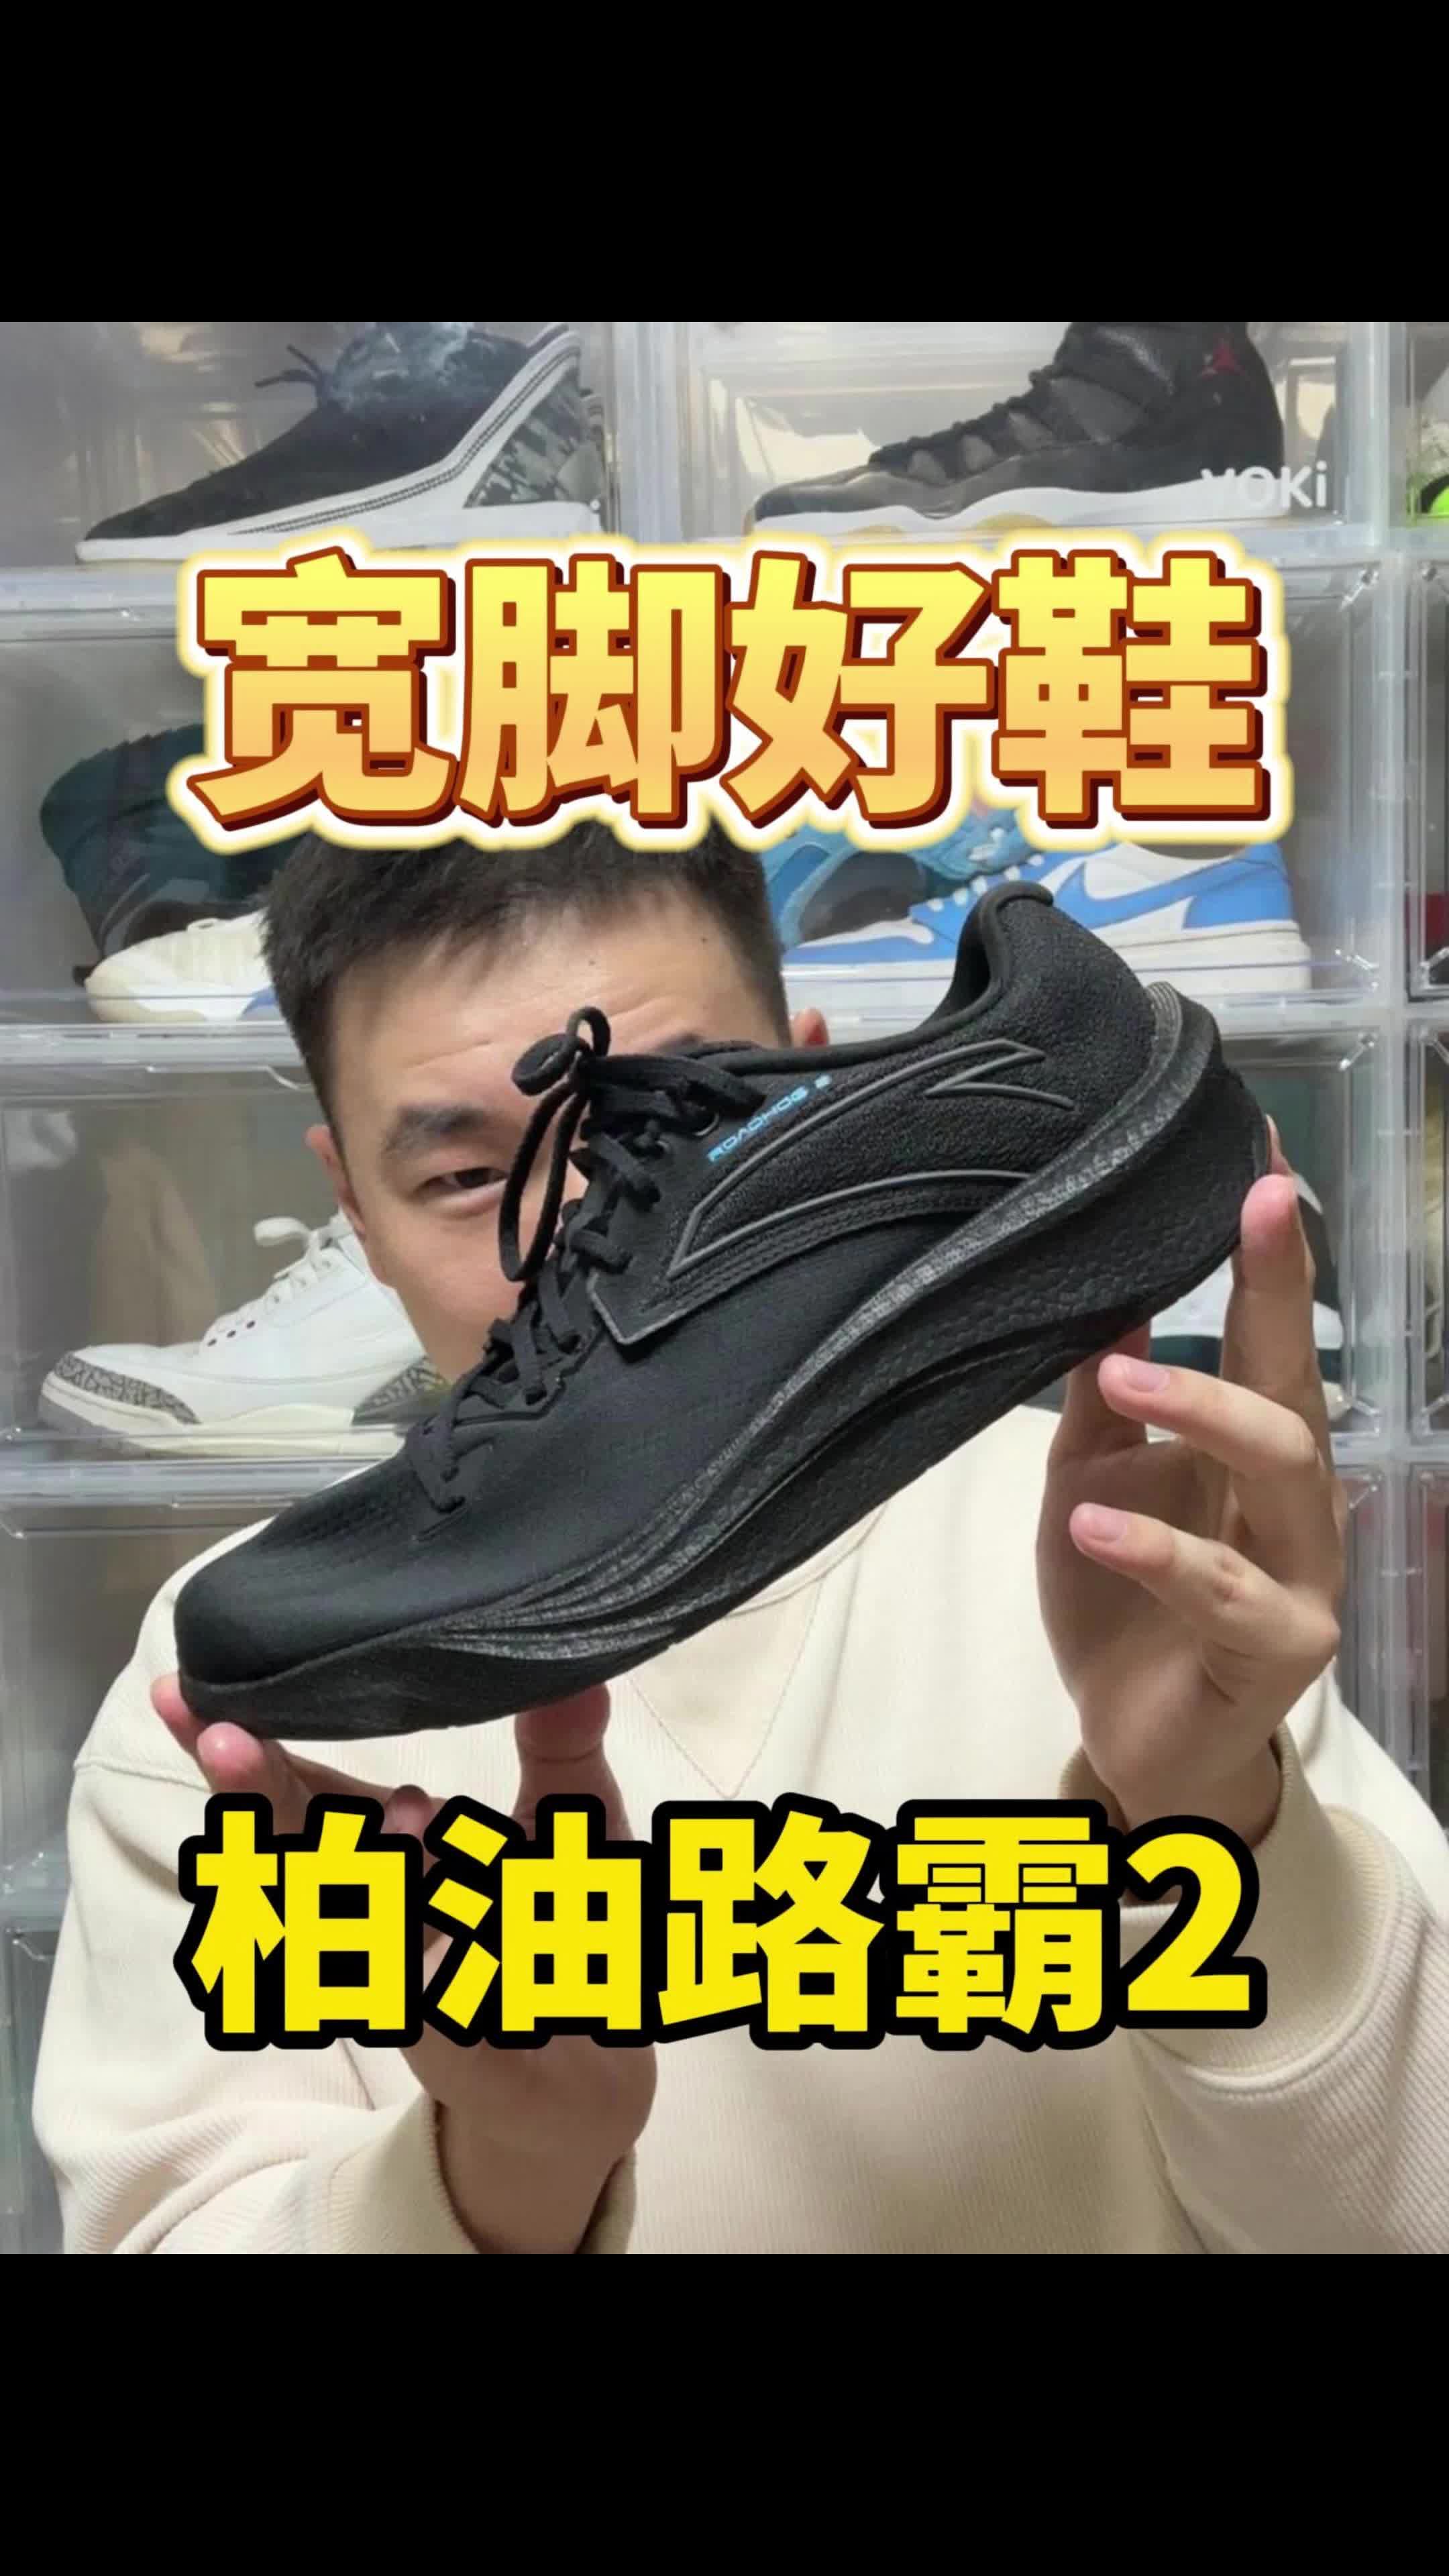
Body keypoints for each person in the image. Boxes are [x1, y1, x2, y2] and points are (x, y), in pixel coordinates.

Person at [33, 825, 1449, 2255]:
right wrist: (506, 2170)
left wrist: (1210, 1818)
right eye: (467, 1179)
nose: (584, 1239)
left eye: (674, 1133)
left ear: (821, 1093)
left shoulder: (1144, 1564)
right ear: (354, 1208)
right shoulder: (245, 1705)